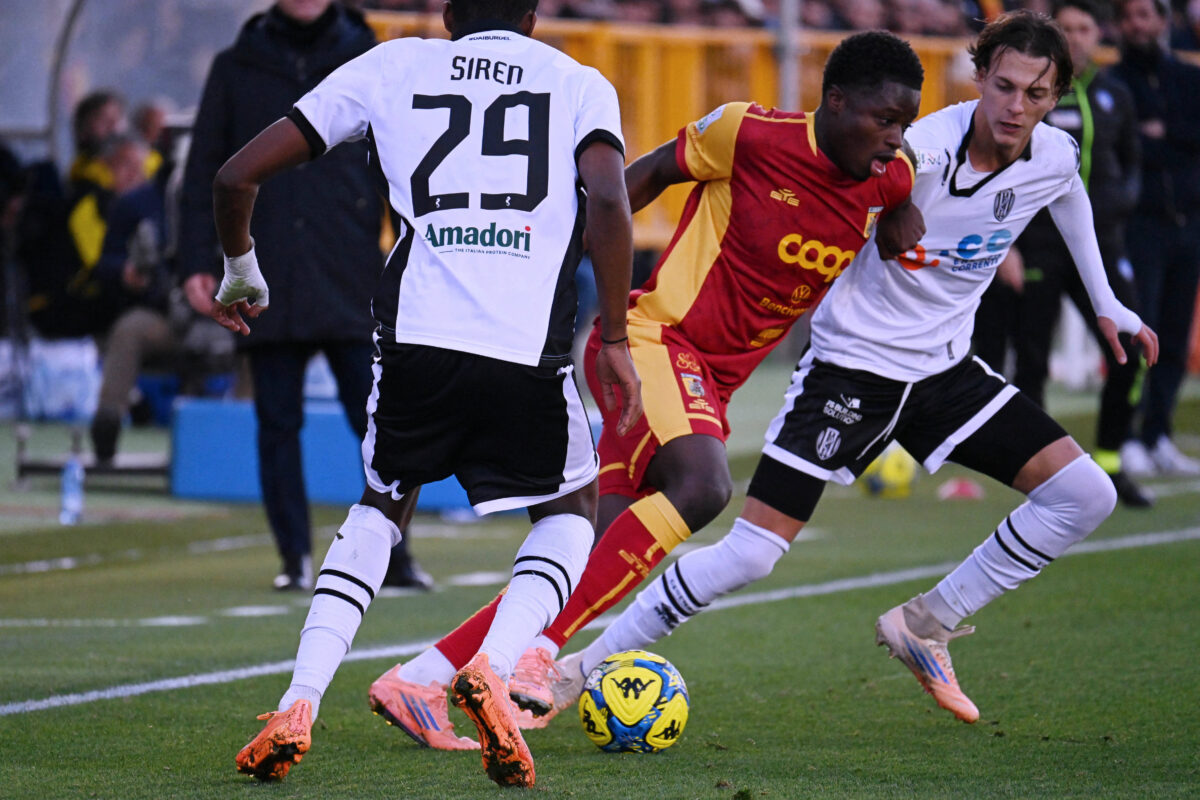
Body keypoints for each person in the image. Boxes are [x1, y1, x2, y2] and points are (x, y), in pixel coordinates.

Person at [544, 11, 1160, 726]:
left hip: (945, 372)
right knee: (750, 555)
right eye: (1003, 86)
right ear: (979, 77)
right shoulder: (914, 153)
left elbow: (1068, 190)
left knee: (1086, 495)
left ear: (1055, 98)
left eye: (1036, 93)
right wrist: (892, 200)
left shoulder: (1051, 153)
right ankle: (573, 672)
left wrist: (1108, 300)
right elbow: (832, 176)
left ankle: (926, 623)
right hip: (850, 369)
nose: (1015, 107)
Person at [366, 30, 926, 748]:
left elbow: (909, 179)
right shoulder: (749, 132)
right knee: (702, 486)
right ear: (836, 101)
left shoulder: (889, 174)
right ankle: (534, 657)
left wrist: (904, 211)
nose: (894, 137)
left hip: (712, 384)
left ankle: (418, 679)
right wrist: (553, 258)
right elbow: (648, 173)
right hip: (657, 339)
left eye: (905, 122)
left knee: (588, 555)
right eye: (884, 119)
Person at [223, 0, 640, 786]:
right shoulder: (579, 81)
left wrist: (241, 267)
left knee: (381, 507)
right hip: (525, 352)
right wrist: (613, 337)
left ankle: (298, 699)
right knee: (570, 513)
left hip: (414, 340)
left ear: (449, 11)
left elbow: (233, 173)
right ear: (536, 14)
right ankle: (492, 663)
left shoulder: (392, 63)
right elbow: (611, 201)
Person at [178, 0, 427, 591]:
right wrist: (195, 260)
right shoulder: (236, 64)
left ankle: (394, 553)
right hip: (267, 273)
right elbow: (204, 168)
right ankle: (293, 558)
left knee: (379, 424)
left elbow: (402, 162)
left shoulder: (370, 54)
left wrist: (417, 253)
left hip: (348, 269)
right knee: (277, 422)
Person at [973, 0, 1148, 506]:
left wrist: (1117, 209)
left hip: (1100, 242)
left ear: (1100, 34)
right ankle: (1037, 473)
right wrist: (1005, 244)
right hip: (1036, 244)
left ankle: (1114, 459)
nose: (1075, 37)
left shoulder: (1115, 93)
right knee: (1030, 361)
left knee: (1128, 347)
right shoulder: (1023, 101)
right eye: (1065, 28)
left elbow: (1129, 162)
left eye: (1083, 28)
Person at [1110, 0, 1200, 477]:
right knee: (1139, 332)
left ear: (1164, 22)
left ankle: (1158, 433)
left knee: (1177, 332)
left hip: (1189, 223)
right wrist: (1170, 140)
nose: (1136, 25)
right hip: (1140, 226)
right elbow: (1125, 146)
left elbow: (1182, 137)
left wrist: (1161, 136)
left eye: (1145, 15)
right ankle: (1126, 435)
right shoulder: (1115, 83)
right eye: (1128, 17)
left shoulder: (1189, 78)